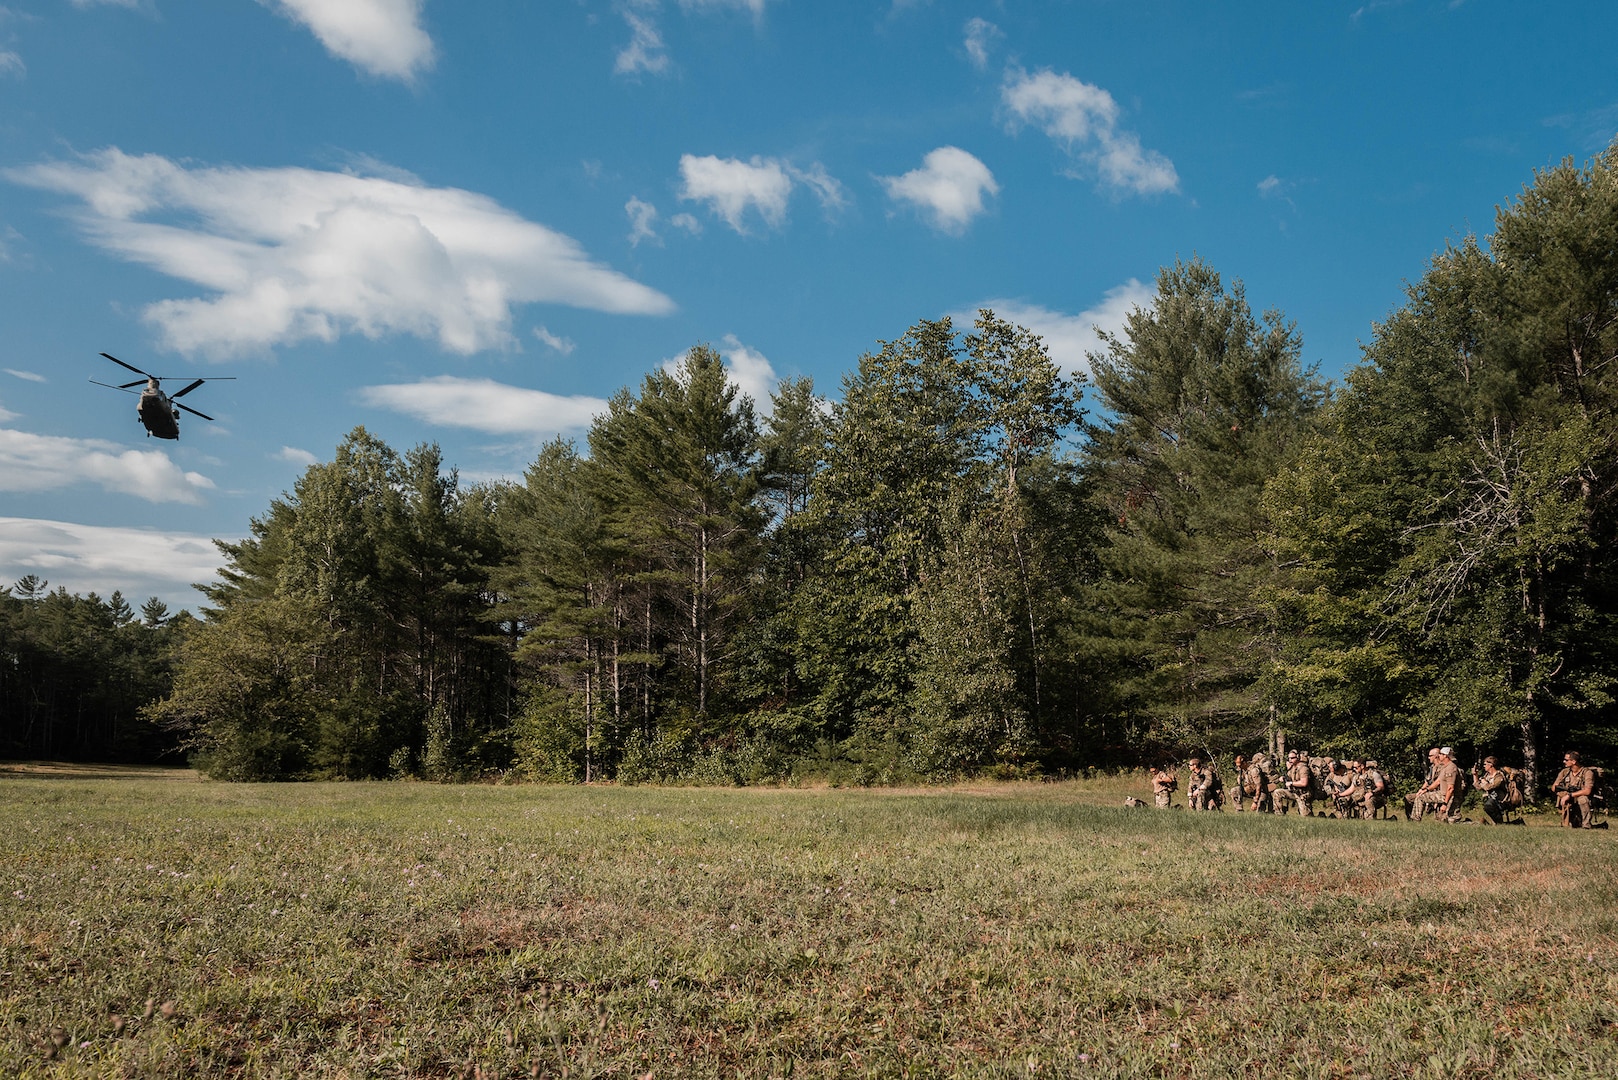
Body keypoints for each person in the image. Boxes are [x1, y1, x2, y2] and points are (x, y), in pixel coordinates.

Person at [1551, 751, 1596, 829]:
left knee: (1583, 799)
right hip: (1570, 799)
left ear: (1574, 761)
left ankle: (1586, 825)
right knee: (1575, 825)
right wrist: (1564, 793)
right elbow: (1554, 787)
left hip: (1582, 798)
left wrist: (1570, 795)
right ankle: (1569, 822)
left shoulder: (1587, 773)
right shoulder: (1565, 772)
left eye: (1566, 760)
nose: (1564, 761)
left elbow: (1587, 791)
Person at [1404, 749, 1443, 821]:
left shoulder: (1442, 767)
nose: (1428, 758)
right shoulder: (1432, 767)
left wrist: (1426, 790)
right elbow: (1427, 781)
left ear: (1436, 756)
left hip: (1438, 792)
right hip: (1429, 791)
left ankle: (1416, 819)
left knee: (1421, 797)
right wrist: (1421, 790)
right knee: (1408, 798)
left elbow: (1438, 783)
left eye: (1430, 756)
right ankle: (1410, 819)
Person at [1473, 756, 1510, 825]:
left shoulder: (1499, 776)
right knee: (1488, 805)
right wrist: (1475, 775)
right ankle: (1499, 823)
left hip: (1501, 800)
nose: (1484, 766)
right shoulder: (1487, 775)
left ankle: (1500, 823)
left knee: (1488, 805)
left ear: (1491, 765)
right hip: (1492, 799)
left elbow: (1490, 787)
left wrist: (1485, 782)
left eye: (1485, 764)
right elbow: (1478, 787)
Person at [1282, 750, 1314, 817]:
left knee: (1306, 817)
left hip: (1303, 794)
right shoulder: (1292, 768)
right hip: (1294, 792)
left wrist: (1291, 783)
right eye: (1289, 758)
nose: (1290, 760)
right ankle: (1279, 814)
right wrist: (1283, 778)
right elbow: (1289, 777)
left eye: (1292, 758)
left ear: (1298, 757)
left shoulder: (1303, 768)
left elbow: (1304, 783)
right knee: (1277, 792)